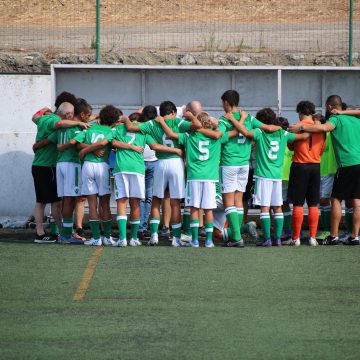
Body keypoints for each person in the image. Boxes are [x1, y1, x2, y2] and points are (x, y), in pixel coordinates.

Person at [124, 100, 202, 247]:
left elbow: (129, 127)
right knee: (175, 203)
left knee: (155, 200)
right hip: (176, 163)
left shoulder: (152, 123)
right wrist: (190, 116)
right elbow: (198, 125)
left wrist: (124, 119)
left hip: (159, 162)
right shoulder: (178, 122)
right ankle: (176, 238)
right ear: (173, 112)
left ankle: (154, 235)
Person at [226, 109, 307, 246]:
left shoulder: (259, 132)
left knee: (264, 208)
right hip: (277, 176)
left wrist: (233, 119)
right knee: (278, 207)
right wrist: (307, 127)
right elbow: (304, 137)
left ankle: (267, 239)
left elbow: (245, 132)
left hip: (263, 176)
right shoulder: (283, 133)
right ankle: (277, 239)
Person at [288, 95, 360, 245]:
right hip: (356, 162)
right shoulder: (355, 119)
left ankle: (332, 236)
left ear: (329, 107)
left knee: (334, 199)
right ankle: (354, 236)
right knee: (356, 201)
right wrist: (345, 112)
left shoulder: (335, 119)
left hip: (345, 164)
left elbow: (324, 128)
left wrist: (301, 128)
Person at [156, 112, 233, 247]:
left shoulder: (189, 136)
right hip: (210, 178)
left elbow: (172, 135)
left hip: (194, 177)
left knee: (194, 209)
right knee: (208, 209)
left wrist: (162, 122)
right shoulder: (217, 137)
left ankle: (195, 240)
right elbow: (233, 133)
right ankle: (209, 241)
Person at [219, 90, 282, 247]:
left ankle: (236, 237)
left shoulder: (224, 119)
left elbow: (220, 137)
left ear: (226, 102)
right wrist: (280, 128)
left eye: (223, 103)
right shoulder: (249, 118)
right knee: (239, 200)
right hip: (244, 164)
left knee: (229, 202)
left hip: (228, 163)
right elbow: (268, 128)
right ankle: (239, 233)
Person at [31, 102, 90, 243]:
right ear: (67, 115)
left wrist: (36, 145)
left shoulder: (43, 118)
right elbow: (59, 125)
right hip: (47, 165)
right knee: (45, 201)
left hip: (46, 164)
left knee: (56, 201)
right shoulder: (57, 121)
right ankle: (41, 233)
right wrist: (81, 126)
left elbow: (34, 118)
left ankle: (62, 232)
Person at [66, 105, 119, 246]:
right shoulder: (111, 130)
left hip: (88, 166)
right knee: (105, 204)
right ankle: (107, 237)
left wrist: (86, 150)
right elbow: (103, 143)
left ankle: (96, 238)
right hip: (102, 166)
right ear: (114, 121)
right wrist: (94, 149)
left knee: (92, 204)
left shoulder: (89, 129)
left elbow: (76, 143)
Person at [285, 101, 326, 246]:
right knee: (313, 203)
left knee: (298, 204)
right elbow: (322, 148)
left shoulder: (297, 127)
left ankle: (295, 238)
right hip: (315, 166)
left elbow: (290, 146)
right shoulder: (321, 128)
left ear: (300, 112)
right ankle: (313, 237)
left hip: (299, 166)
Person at [138, 106, 158, 239]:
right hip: (139, 162)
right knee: (142, 197)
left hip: (153, 162)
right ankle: (141, 227)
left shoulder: (157, 126)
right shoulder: (140, 126)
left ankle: (143, 226)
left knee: (148, 197)